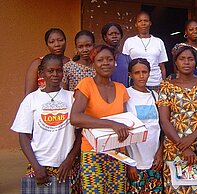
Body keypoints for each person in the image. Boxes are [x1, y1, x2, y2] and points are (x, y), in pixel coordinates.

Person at [11, 54, 81, 193]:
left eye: (59, 70)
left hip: (66, 167)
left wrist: (70, 159)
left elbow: (80, 132)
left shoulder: (72, 98)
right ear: (42, 73)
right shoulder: (31, 100)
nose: (55, 74)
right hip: (40, 165)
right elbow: (23, 135)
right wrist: (36, 166)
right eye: (50, 71)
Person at [157, 46, 197, 193]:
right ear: (176, 62)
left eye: (190, 59)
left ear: (196, 62)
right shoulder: (167, 87)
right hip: (174, 147)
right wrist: (182, 147)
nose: (186, 62)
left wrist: (191, 138)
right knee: (176, 189)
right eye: (182, 59)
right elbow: (164, 121)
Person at [70, 45, 130, 193]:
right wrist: (111, 124)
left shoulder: (121, 88)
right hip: (92, 151)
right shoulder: (86, 85)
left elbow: (125, 121)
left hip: (117, 151)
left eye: (110, 60)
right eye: (100, 60)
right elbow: (75, 117)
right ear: (93, 63)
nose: (105, 63)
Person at [126, 58, 163, 193]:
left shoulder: (155, 96)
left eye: (144, 72)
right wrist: (130, 163)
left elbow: (161, 127)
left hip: (154, 161)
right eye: (137, 73)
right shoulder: (126, 95)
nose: (141, 76)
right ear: (130, 74)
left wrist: (160, 152)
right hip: (135, 162)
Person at [123, 11, 168, 90]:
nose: (143, 23)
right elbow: (125, 65)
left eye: (146, 21)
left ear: (150, 23)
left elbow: (162, 66)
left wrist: (163, 84)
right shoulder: (129, 41)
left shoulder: (158, 41)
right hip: (136, 83)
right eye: (140, 21)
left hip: (156, 83)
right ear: (136, 24)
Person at [25, 28, 70, 95]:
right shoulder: (38, 64)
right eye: (52, 42)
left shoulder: (72, 64)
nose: (57, 44)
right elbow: (29, 95)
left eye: (60, 40)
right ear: (47, 44)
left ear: (66, 41)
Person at [101, 23, 131, 87]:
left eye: (117, 34)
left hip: (123, 94)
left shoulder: (126, 58)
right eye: (110, 34)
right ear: (105, 37)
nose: (114, 36)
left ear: (121, 36)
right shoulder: (100, 58)